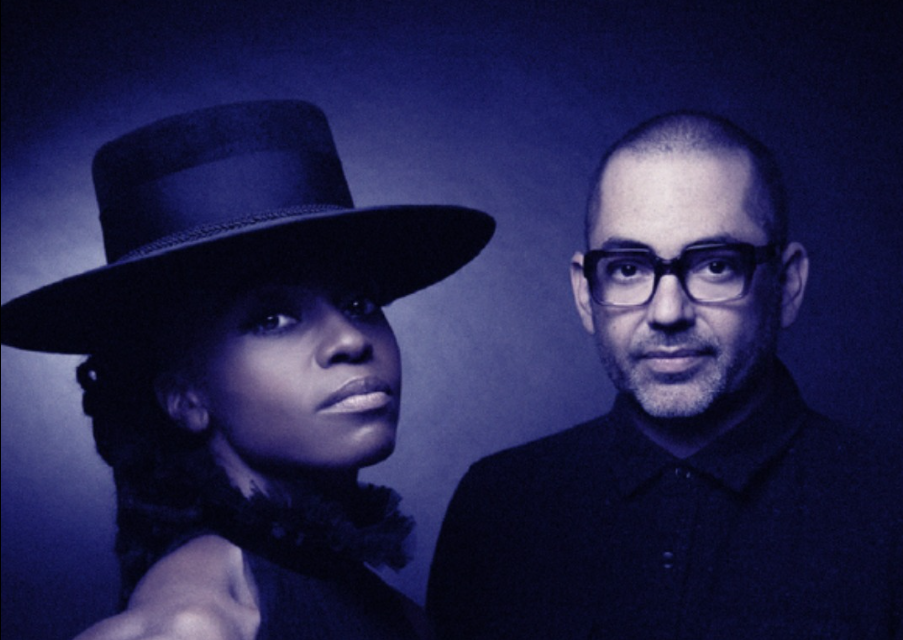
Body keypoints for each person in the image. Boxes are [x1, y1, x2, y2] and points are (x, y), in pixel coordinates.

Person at [1, 100, 494, 640]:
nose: (351, 340)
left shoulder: (398, 616)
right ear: (184, 397)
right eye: (271, 319)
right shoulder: (193, 629)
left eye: (359, 303)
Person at [426, 111, 901, 639]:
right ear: (585, 294)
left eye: (716, 265)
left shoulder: (889, 508)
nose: (668, 312)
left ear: (787, 285)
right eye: (628, 269)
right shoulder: (495, 505)